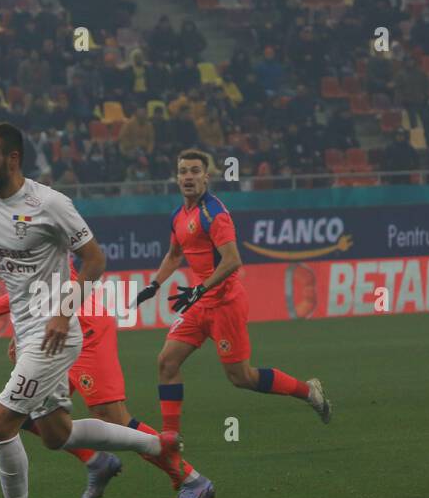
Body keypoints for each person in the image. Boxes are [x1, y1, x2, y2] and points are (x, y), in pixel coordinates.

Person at [0, 123, 183, 498]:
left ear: (13, 159)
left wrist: (63, 313)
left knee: (0, 426)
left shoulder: (51, 204)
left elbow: (95, 259)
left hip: (53, 336)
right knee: (58, 435)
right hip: (27, 336)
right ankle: (156, 445)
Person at [0, 259, 216, 498]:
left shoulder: (44, 229)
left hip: (86, 329)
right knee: (21, 411)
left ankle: (192, 480)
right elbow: (34, 293)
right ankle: (95, 460)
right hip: (56, 332)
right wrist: (23, 333)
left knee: (116, 421)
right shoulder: (21, 234)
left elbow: (52, 288)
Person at [133, 149, 332, 436]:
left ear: (206, 177)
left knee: (242, 377)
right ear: (177, 177)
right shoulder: (179, 215)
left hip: (225, 303)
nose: (188, 177)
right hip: (199, 303)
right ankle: (170, 438)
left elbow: (233, 260)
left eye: (195, 171)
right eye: (183, 171)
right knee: (167, 361)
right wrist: (154, 285)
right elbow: (174, 254)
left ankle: (309, 392)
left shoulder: (213, 213)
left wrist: (199, 288)